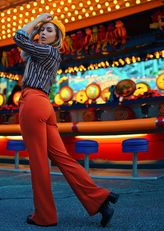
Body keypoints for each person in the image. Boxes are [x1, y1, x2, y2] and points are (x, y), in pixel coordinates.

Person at [13, 13, 119, 228]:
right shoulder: (42, 53)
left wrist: (39, 19)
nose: (43, 32)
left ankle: (45, 216)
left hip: (33, 102)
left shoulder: (48, 51)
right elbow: (24, 47)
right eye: (43, 30)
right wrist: (38, 28)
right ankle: (100, 199)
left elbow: (19, 37)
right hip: (43, 105)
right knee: (63, 158)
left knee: (39, 163)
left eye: (49, 30)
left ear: (58, 38)